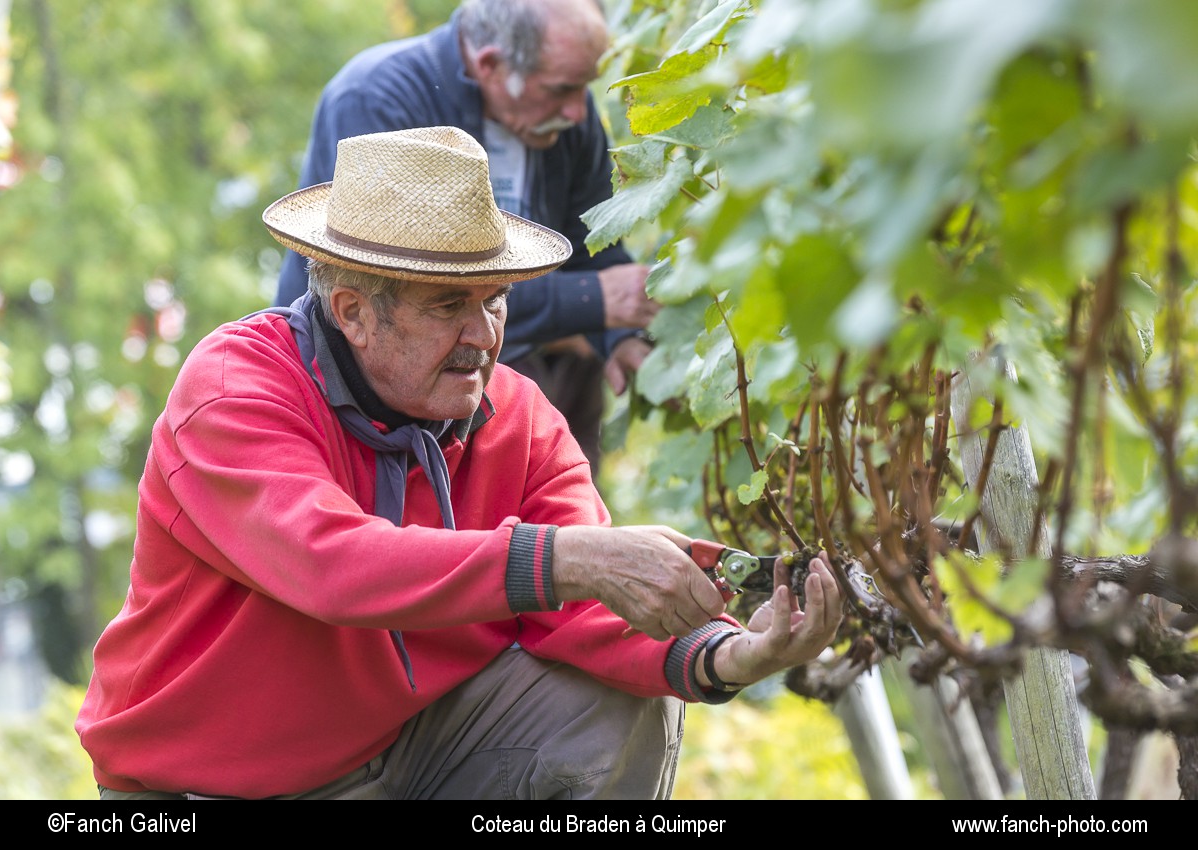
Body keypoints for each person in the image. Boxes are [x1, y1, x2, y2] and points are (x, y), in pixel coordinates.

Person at [75, 127, 843, 800]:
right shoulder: (234, 390)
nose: (484, 334)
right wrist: (570, 557)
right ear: (352, 312)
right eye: (448, 306)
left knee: (623, 700)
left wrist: (726, 653)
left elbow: (587, 605)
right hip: (205, 787)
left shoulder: (520, 416)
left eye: (498, 299)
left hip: (405, 752)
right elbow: (330, 564)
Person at [273, 0, 657, 473]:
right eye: (563, 88)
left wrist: (618, 337)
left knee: (557, 521)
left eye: (584, 87)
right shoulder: (379, 96)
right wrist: (590, 300)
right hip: (364, 404)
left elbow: (594, 245)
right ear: (491, 63)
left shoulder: (563, 121)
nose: (580, 112)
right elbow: (412, 286)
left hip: (497, 389)